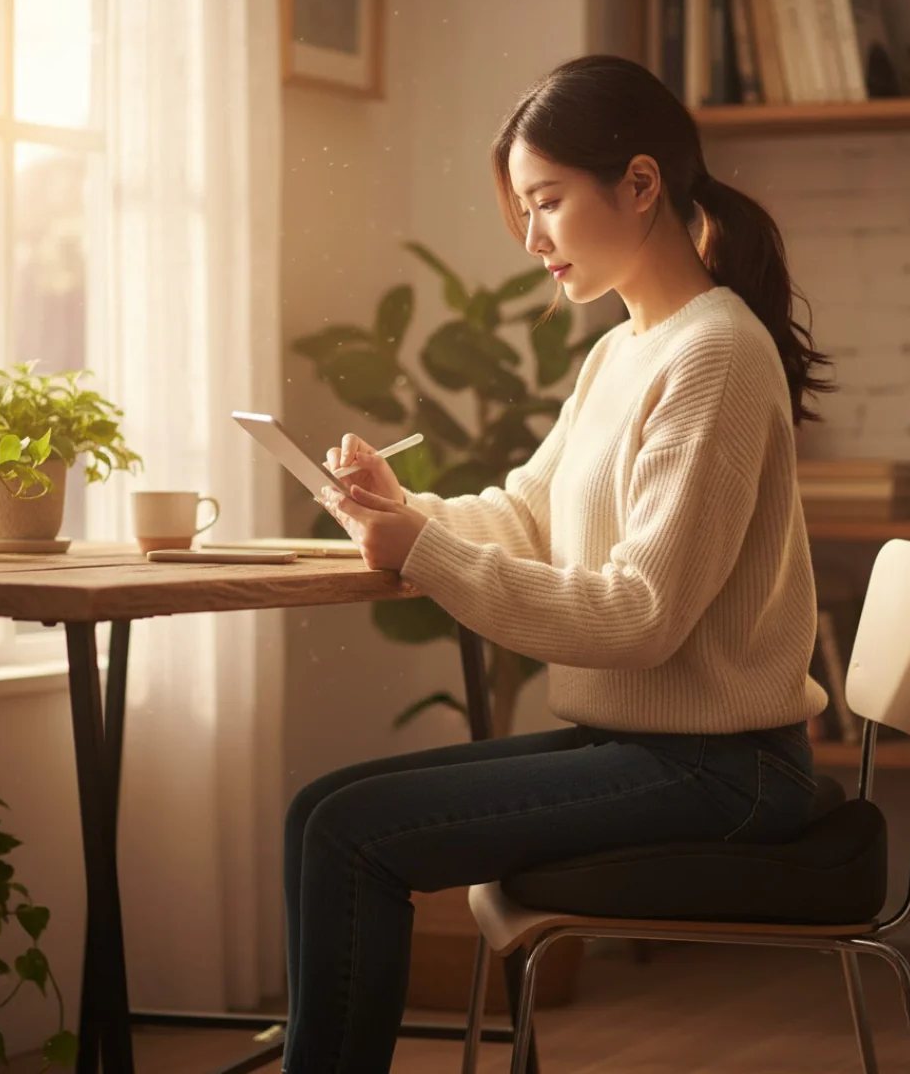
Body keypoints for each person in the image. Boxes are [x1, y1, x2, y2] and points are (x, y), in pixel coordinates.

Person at [284, 53, 833, 1073]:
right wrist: (407, 510)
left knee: (348, 834)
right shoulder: (625, 349)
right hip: (652, 749)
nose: (531, 240)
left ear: (639, 184)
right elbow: (530, 511)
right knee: (322, 811)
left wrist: (429, 554)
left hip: (725, 770)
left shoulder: (712, 353)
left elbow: (641, 615)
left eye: (547, 202)